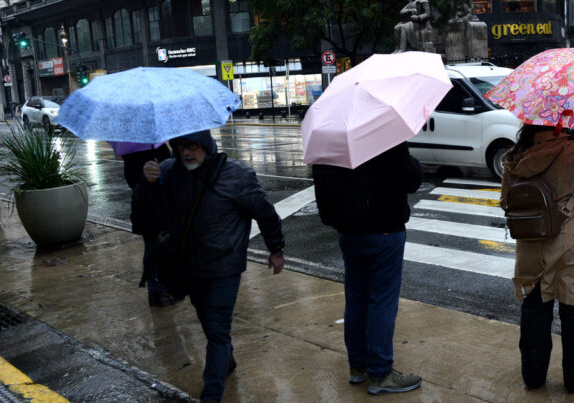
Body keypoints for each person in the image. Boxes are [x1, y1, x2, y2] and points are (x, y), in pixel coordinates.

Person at [133, 130, 285, 403]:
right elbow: (143, 218)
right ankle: (225, 361)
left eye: (193, 147)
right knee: (207, 322)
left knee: (216, 329)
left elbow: (265, 212)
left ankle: (211, 394)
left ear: (206, 146)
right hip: (188, 266)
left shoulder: (236, 175)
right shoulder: (168, 171)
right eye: (181, 147)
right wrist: (146, 183)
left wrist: (276, 249)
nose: (186, 153)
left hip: (224, 266)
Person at [499, 124, 574, 393]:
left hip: (531, 244)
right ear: (561, 121)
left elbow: (505, 201)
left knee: (534, 309)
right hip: (571, 240)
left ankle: (533, 376)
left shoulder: (515, 156)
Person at [312, 143, 423, 395]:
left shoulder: (331, 137)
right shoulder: (384, 135)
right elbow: (412, 179)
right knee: (382, 302)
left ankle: (358, 367)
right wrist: (410, 158)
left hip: (349, 232)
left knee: (356, 300)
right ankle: (381, 372)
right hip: (384, 230)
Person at [119, 142, 178, 307]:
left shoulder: (157, 147)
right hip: (148, 209)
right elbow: (132, 181)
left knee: (163, 248)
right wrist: (147, 178)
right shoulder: (133, 152)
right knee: (153, 248)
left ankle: (164, 288)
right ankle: (157, 291)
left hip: (161, 207)